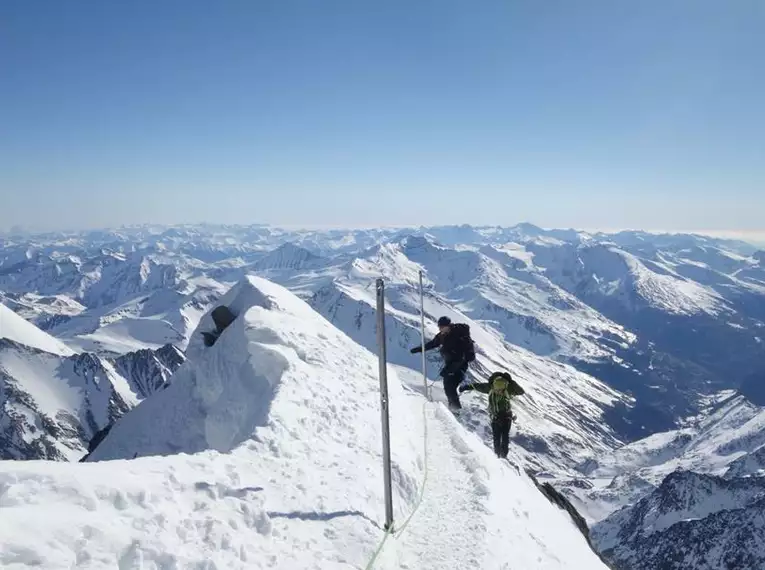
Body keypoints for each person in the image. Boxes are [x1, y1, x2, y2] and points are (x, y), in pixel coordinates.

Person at [410, 316, 475, 411]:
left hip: (460, 364)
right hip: (451, 363)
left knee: (450, 386)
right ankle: (454, 408)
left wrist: (448, 369)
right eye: (439, 326)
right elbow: (433, 343)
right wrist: (420, 349)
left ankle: (456, 410)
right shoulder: (442, 335)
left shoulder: (457, 336)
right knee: (448, 385)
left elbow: (461, 357)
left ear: (448, 326)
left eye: (441, 327)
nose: (440, 328)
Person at [459, 371, 524, 459]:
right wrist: (466, 387)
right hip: (496, 417)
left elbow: (521, 391)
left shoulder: (509, 388)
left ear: (505, 386)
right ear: (494, 385)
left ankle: (503, 457)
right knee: (497, 438)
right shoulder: (489, 387)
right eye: (497, 388)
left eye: (501, 389)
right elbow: (476, 386)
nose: (499, 391)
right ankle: (498, 457)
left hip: (505, 416)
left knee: (504, 437)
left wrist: (511, 382)